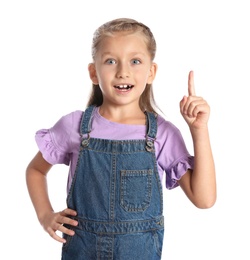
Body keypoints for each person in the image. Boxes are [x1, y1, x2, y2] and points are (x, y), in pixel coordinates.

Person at [26, 18, 216, 259]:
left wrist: (199, 130)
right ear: (93, 72)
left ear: (151, 71)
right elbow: (35, 170)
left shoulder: (162, 134)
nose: (123, 71)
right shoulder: (74, 126)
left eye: (135, 61)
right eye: (110, 61)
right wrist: (45, 215)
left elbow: (204, 198)